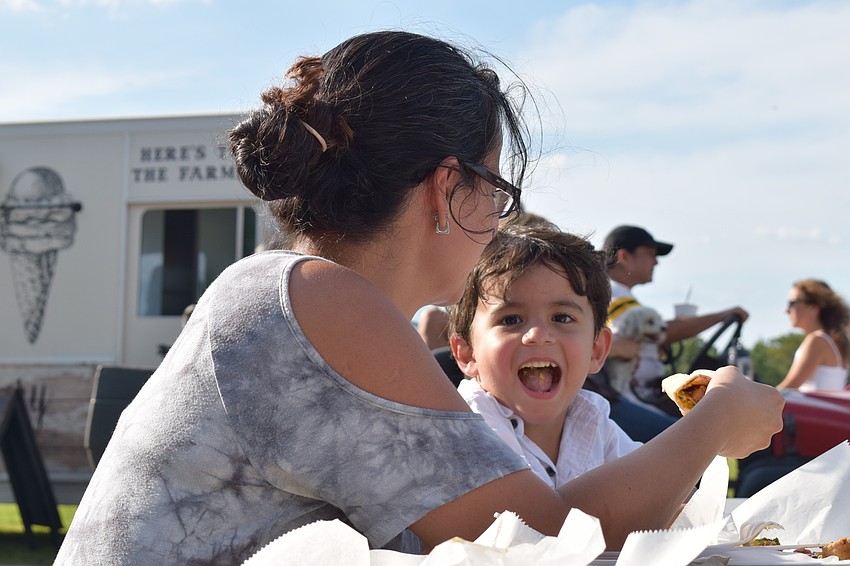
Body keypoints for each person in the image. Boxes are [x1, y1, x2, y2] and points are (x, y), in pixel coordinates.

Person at [56, 31, 783, 564]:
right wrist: (714, 423)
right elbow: (541, 541)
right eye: (496, 188)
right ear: (446, 189)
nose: (498, 220)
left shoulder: (284, 289)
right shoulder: (322, 300)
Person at [449, 225, 641, 488]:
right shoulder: (467, 429)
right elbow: (547, 511)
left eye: (562, 318)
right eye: (511, 319)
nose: (538, 335)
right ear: (467, 353)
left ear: (596, 350)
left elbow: (656, 490)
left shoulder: (592, 420)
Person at [601, 225, 749, 418]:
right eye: (650, 254)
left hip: (642, 391)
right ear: (624, 256)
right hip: (634, 394)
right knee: (706, 424)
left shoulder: (618, 295)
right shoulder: (613, 295)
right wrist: (723, 316)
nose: (656, 262)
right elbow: (665, 332)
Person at [776, 279, 850, 391]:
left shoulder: (817, 341)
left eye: (792, 303)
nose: (786, 310)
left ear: (814, 307)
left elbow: (787, 389)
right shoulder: (831, 340)